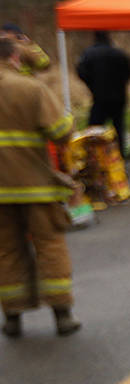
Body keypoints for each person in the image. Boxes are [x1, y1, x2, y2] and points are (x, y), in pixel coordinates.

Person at [0, 35, 79, 337]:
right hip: (35, 187)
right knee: (49, 246)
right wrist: (68, 119)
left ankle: (12, 318)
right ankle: (62, 315)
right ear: (14, 58)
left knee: (6, 251)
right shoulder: (31, 88)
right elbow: (60, 132)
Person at [76, 32, 130, 155]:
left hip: (99, 97)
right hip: (119, 97)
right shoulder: (119, 53)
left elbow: (81, 72)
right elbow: (129, 73)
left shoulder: (89, 54)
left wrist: (91, 85)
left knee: (94, 128)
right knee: (118, 127)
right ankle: (120, 154)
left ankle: (94, 155)